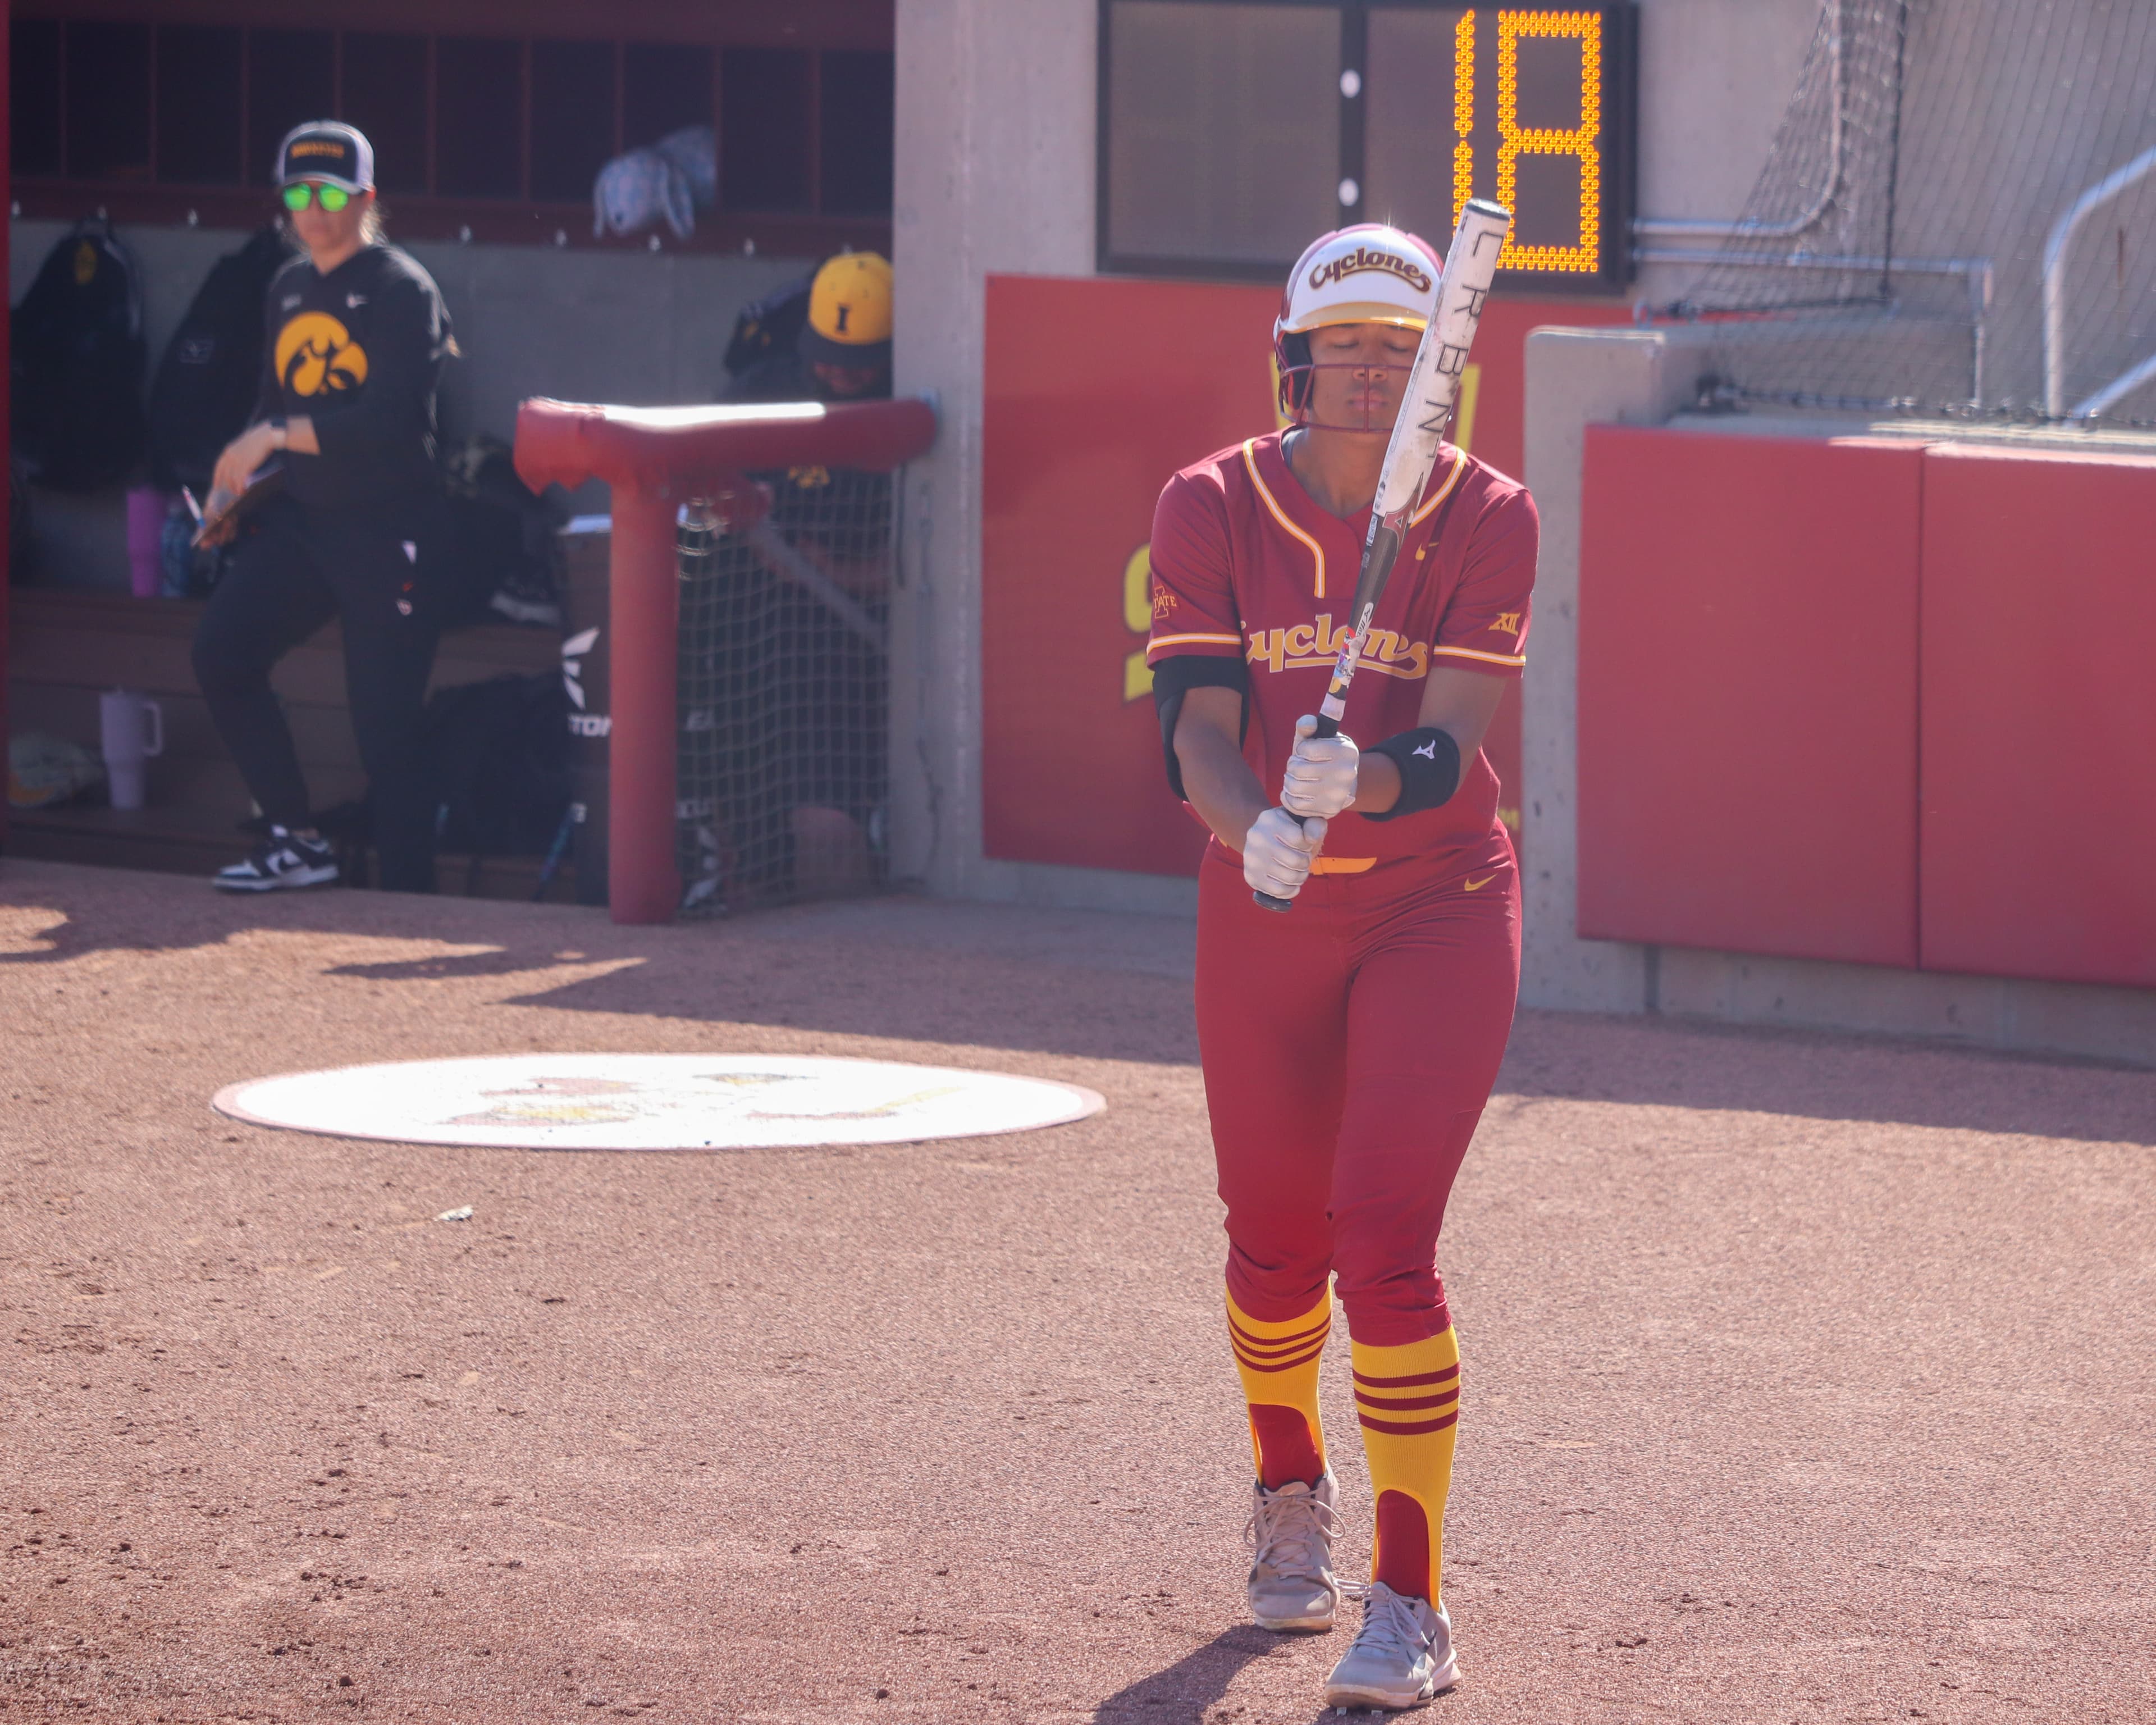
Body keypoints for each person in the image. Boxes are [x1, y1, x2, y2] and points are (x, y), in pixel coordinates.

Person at [1144, 223, 1536, 1712]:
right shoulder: (1208, 504)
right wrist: (1254, 829)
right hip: (1265, 914)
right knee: (1270, 1237)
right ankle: (1286, 1488)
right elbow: (1186, 727)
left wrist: (1355, 782)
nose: (1371, 371)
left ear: (1436, 368)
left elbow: (1447, 748)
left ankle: (1413, 1600)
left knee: (1381, 1239)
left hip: (1434, 905)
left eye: (1399, 346)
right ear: (1293, 362)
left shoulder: (1490, 512)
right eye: (1345, 347)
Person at [191, 120, 456, 893]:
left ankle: (414, 907)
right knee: (222, 652)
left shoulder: (400, 288)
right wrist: (231, 493)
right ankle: (295, 839)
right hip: (306, 525)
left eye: (331, 193)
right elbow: (272, 404)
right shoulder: (286, 284)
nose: (313, 208)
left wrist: (272, 434)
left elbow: (393, 420)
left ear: (366, 199)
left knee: (386, 734)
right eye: (299, 192)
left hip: (391, 531)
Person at [684, 253, 895, 903]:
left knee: (823, 823)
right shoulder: (760, 389)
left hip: (845, 656)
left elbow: (929, 573)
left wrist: (831, 572)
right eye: (826, 354)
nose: (836, 371)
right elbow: (691, 489)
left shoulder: (912, 405)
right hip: (745, 643)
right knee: (738, 809)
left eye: (855, 361)